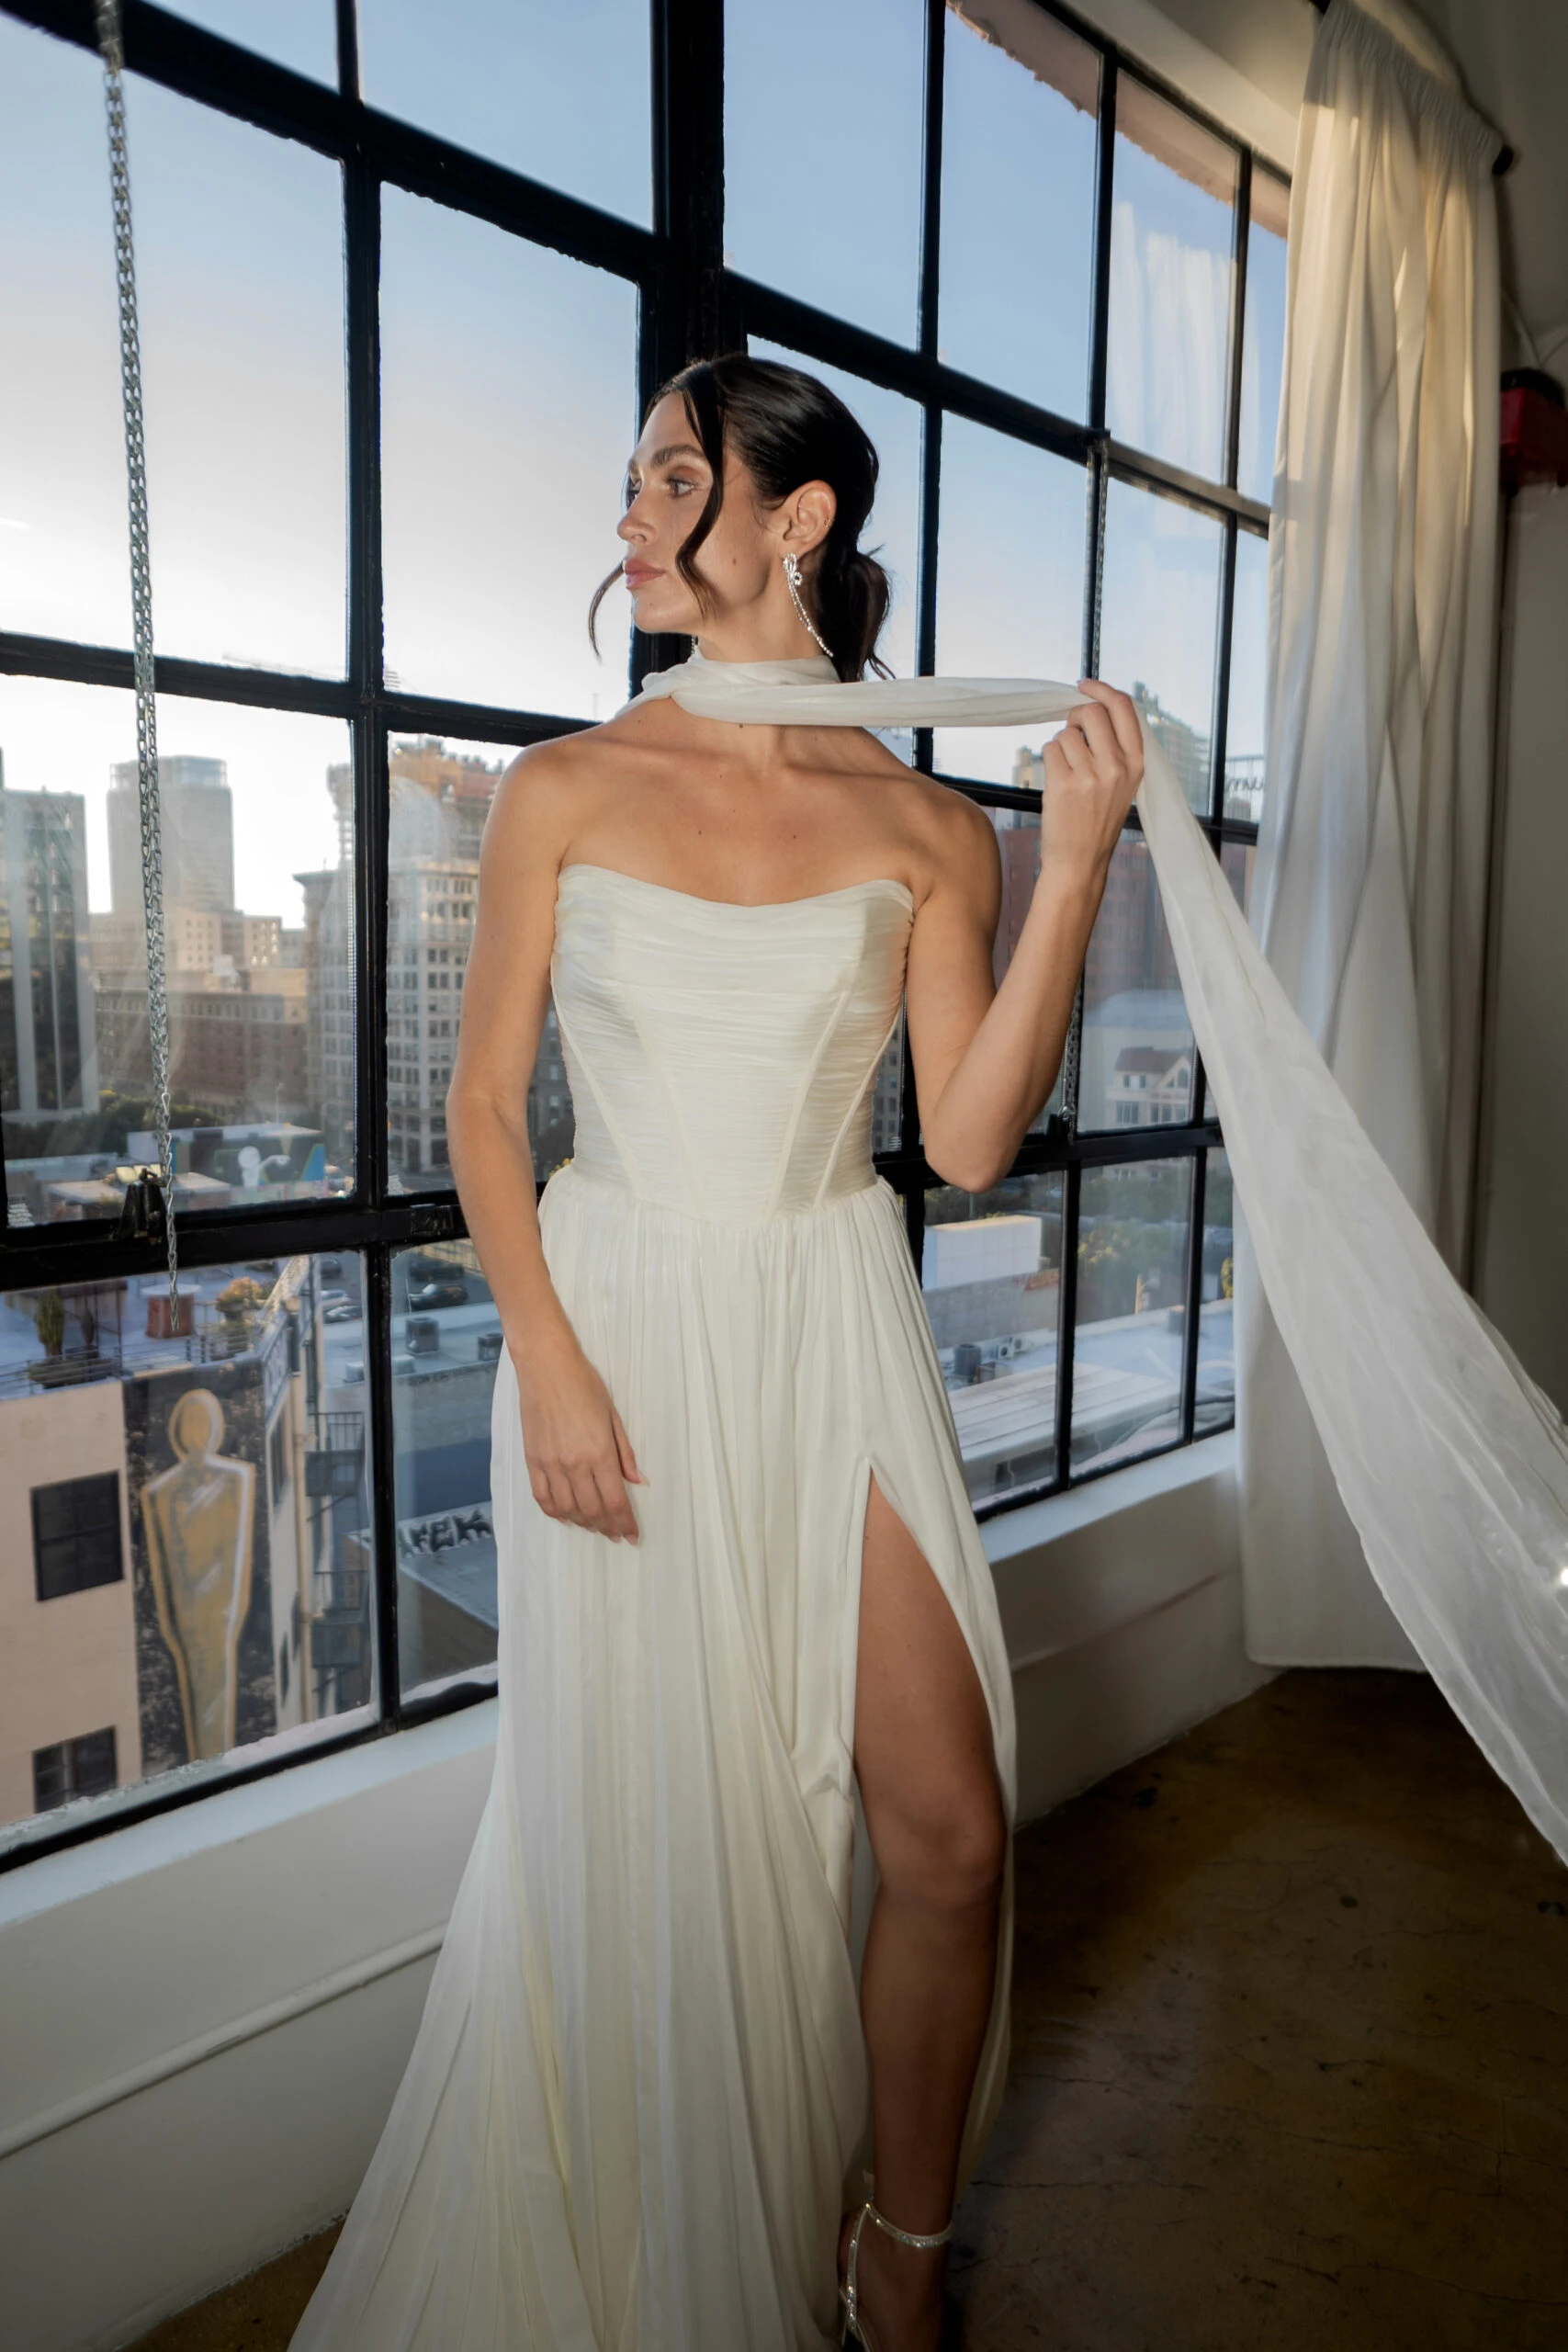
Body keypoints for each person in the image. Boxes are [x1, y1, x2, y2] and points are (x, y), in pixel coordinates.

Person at [288, 354, 1142, 2352]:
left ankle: (895, 2257)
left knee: (943, 1827)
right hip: (614, 1332)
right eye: (630, 480)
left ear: (797, 520)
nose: (631, 518)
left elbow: (965, 1137)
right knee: (661, 1856)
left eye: (673, 477)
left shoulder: (933, 821)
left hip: (825, 1311)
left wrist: (1076, 859)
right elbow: (485, 1113)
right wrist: (554, 1365)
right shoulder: (565, 788)